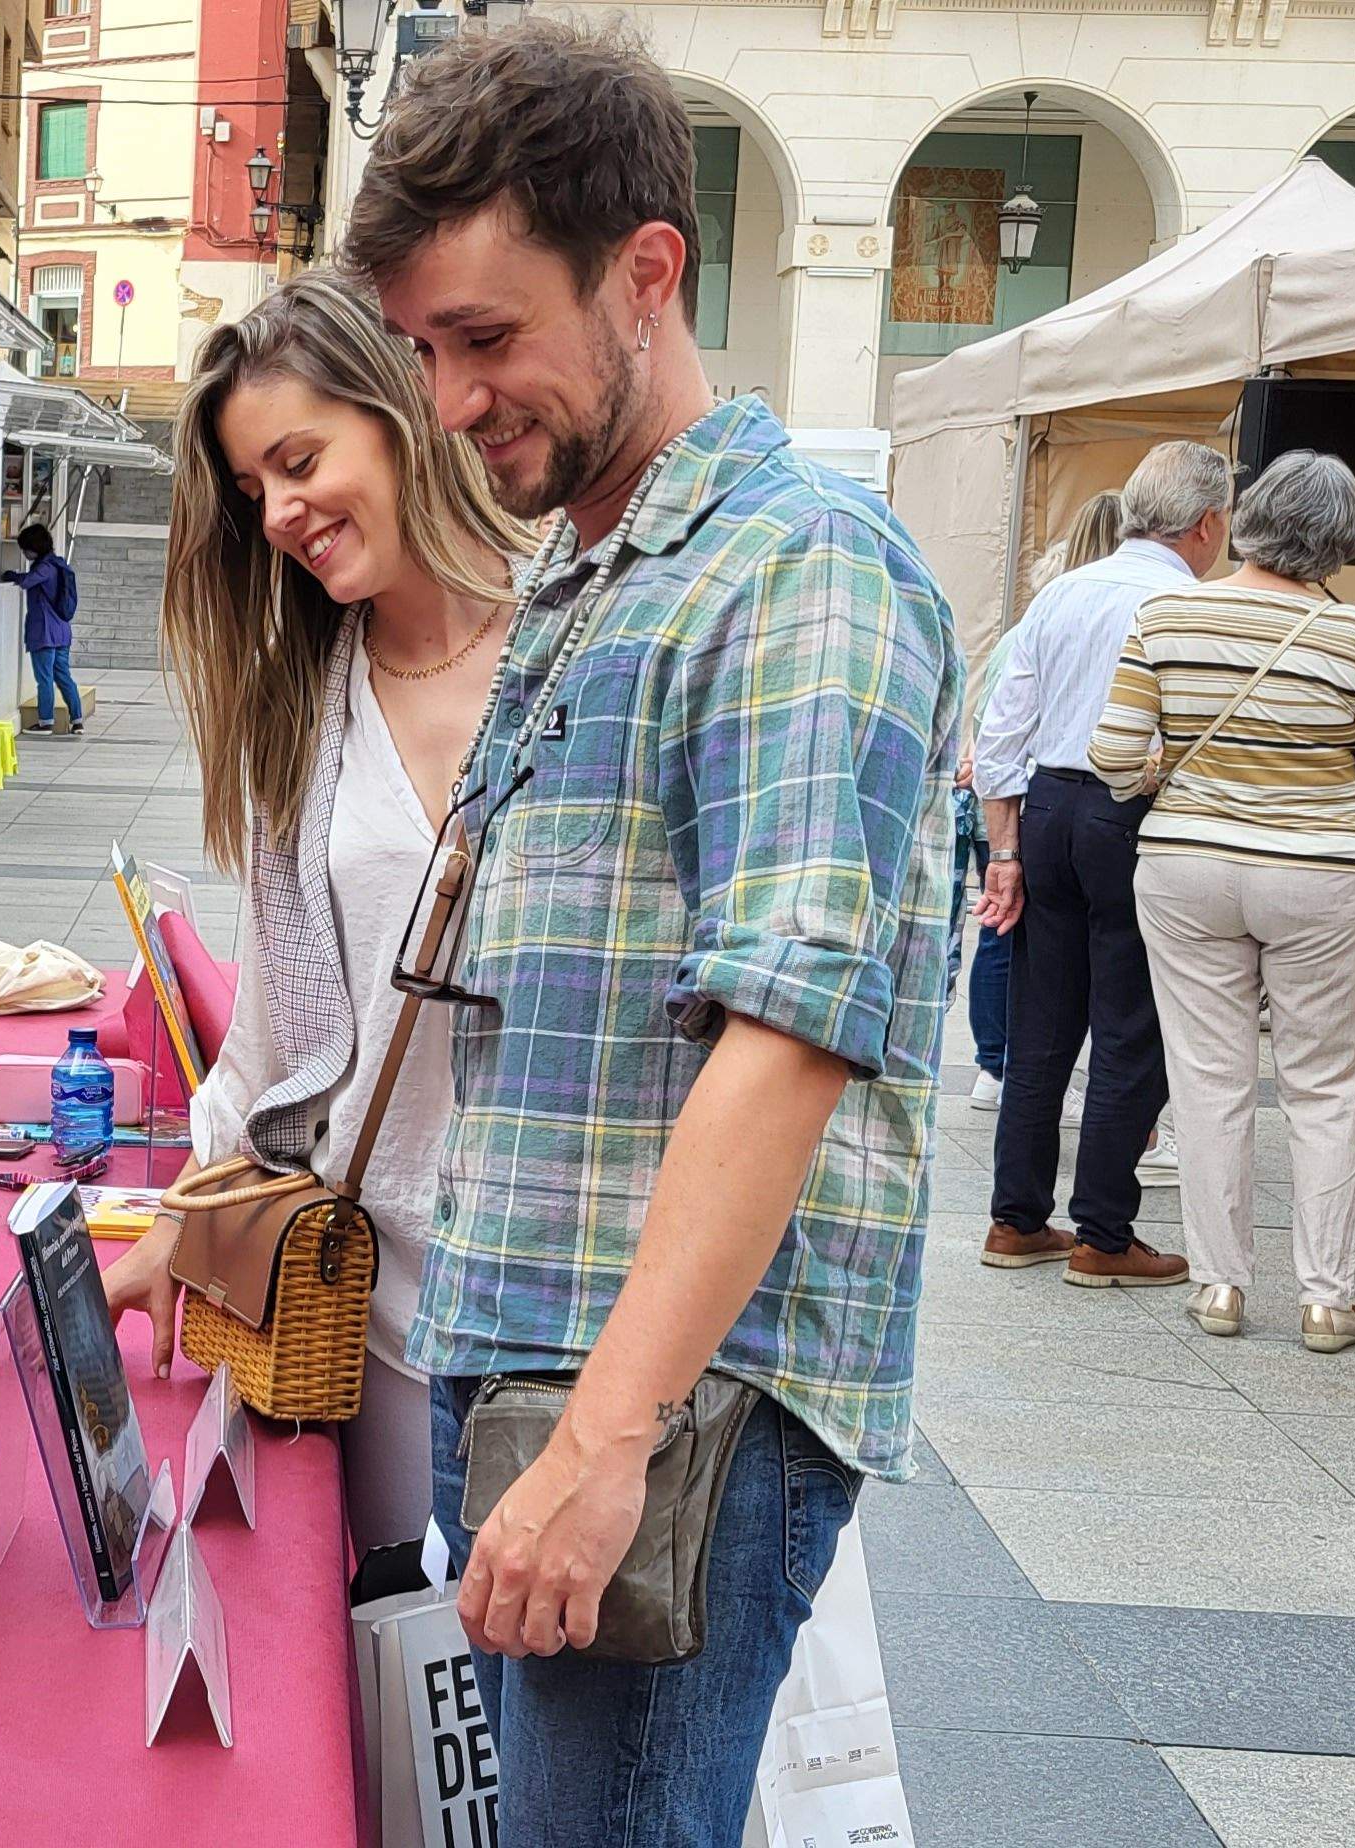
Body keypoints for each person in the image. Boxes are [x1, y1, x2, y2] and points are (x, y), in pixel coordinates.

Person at [346, 20, 958, 1838]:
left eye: (488, 337)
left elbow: (788, 1034)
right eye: (428, 351)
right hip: (554, 1370)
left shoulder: (802, 566)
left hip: (662, 1417)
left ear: (647, 273)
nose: (453, 401)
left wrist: (606, 1439)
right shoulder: (612, 564)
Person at [96, 269, 539, 1559]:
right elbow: (274, 1040)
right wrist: (180, 1230)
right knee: (419, 1693)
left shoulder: (577, 645)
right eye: (254, 492)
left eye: (300, 459)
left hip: (566, 1304)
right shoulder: (311, 706)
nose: (283, 513)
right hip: (375, 1299)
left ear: (402, 410)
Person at [1085, 452, 1355, 1354]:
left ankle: (1219, 1285)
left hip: (1187, 867)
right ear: (1342, 542)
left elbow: (1113, 756)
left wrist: (1170, 779)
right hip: (1325, 877)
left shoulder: (1166, 615)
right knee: (1329, 1084)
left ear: (1246, 518)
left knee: (1206, 1078)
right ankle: (1325, 1298)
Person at [969, 441, 1234, 1287]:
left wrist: (1003, 850)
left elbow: (1002, 733)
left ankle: (1015, 1218)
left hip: (1047, 804)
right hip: (1134, 810)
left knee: (1044, 1021)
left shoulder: (1062, 594)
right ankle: (1104, 1233)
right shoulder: (1190, 603)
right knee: (1130, 1025)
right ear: (1207, 522)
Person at [959, 489, 1128, 1107]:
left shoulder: (1042, 616)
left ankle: (997, 1067)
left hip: (1017, 803)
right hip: (1057, 800)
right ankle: (1012, 1069)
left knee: (1008, 937)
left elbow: (992, 716)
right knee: (1071, 953)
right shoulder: (1131, 611)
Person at [7, 521, 86, 734]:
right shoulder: (59, 563)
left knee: (44, 678)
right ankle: (77, 720)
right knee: (63, 675)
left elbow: (28, 581)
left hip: (45, 632)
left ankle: (45, 721)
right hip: (62, 631)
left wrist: (13, 576)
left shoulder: (44, 567)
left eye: (25, 549)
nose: (24, 553)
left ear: (34, 547)